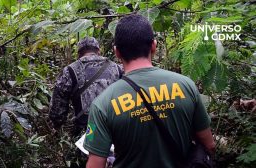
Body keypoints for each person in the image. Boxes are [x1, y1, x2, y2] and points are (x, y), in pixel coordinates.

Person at [83, 15, 215, 168]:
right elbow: (209, 145)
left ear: (117, 52)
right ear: (154, 46)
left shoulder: (102, 104)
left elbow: (95, 165)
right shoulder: (186, 85)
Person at [49, 37, 123, 135]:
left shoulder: (70, 70)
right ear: (99, 51)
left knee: (89, 148)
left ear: (79, 53)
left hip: (88, 131)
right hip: (116, 128)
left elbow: (58, 107)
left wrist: (57, 123)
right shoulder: (117, 68)